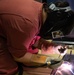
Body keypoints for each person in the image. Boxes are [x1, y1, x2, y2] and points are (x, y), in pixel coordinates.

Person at [0, 0, 67, 75]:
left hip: (6, 25)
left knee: (30, 51)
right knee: (9, 70)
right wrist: (47, 60)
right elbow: (18, 56)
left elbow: (31, 39)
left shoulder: (39, 9)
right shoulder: (27, 25)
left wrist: (53, 47)